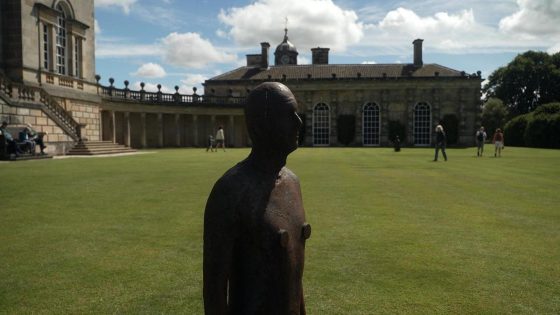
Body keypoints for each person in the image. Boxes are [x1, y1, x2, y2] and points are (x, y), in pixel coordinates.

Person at [204, 82, 310, 315]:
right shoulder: (230, 190)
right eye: (289, 115)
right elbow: (214, 292)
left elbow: (294, 276)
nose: (299, 123)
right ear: (264, 125)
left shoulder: (292, 183)